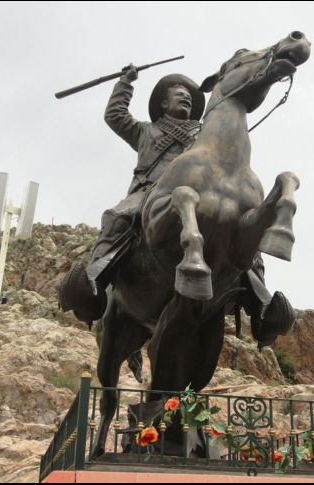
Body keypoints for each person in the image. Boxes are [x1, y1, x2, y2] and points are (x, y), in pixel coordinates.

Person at [57, 64, 294, 344]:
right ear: (163, 103)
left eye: (189, 96)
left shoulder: (203, 135)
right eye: (178, 93)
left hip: (200, 191)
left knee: (243, 232)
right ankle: (94, 284)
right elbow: (115, 115)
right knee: (117, 216)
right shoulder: (145, 131)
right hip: (150, 193)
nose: (185, 97)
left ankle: (260, 305)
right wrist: (125, 83)